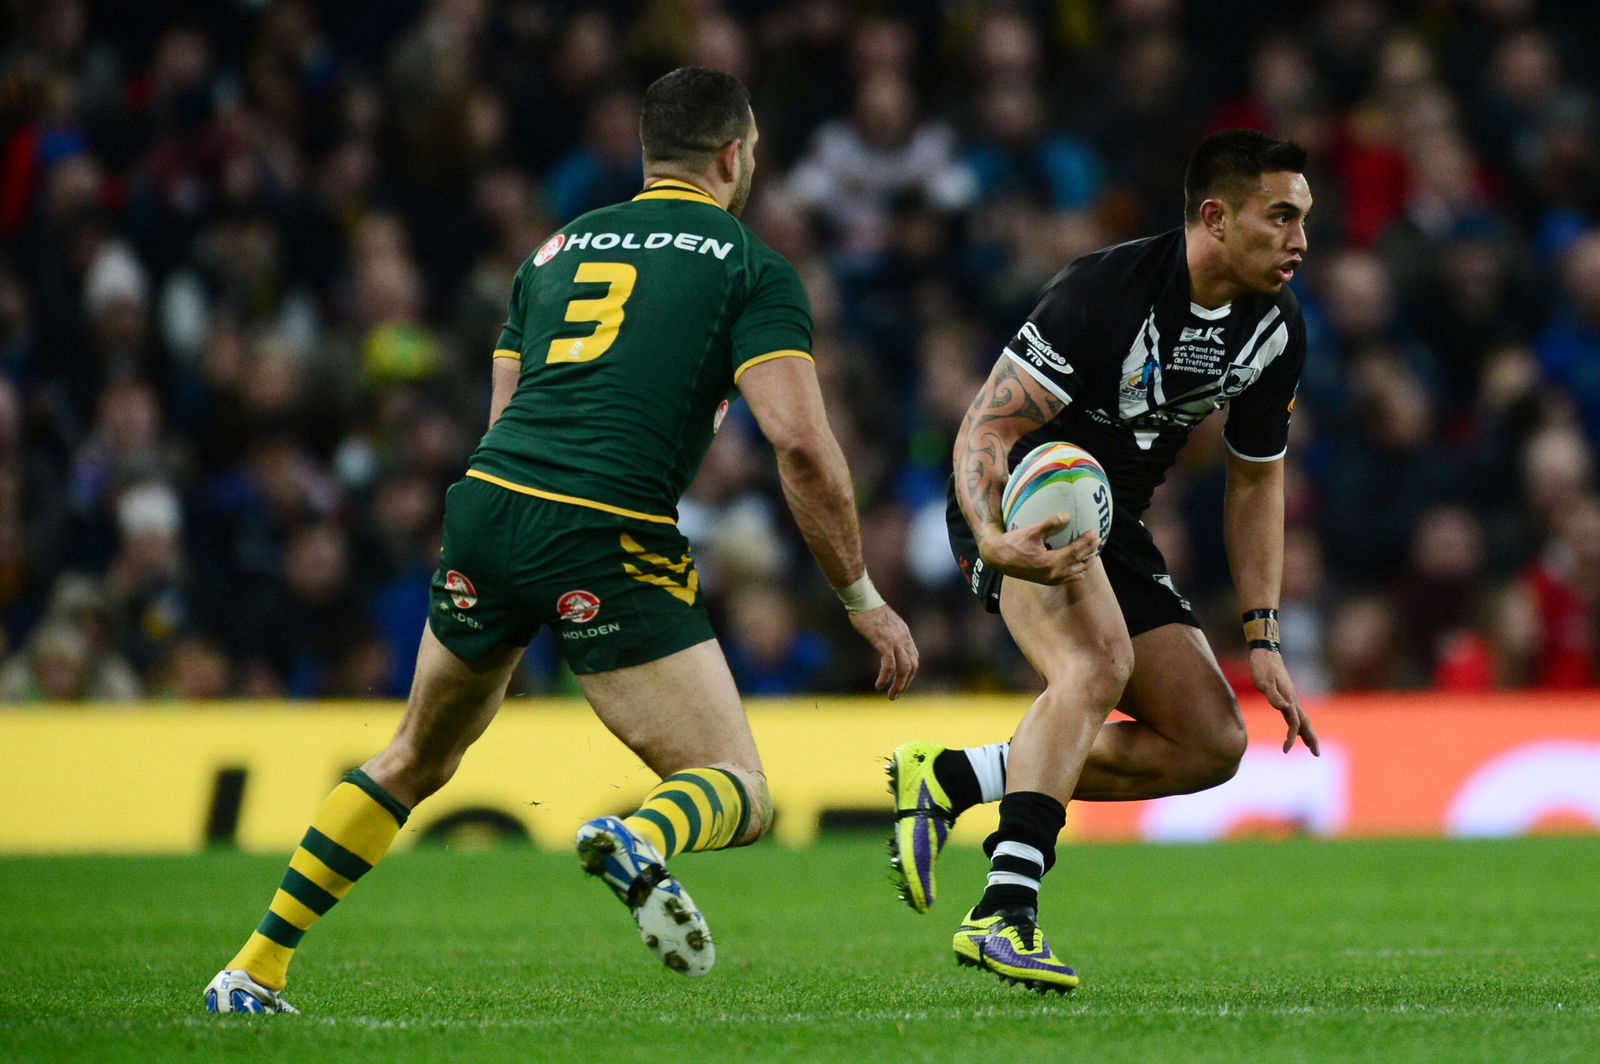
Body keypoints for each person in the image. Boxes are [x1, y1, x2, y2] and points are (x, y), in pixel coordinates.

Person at [203, 67, 918, 1014]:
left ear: (644, 153)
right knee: (738, 789)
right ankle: (643, 838)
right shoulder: (751, 267)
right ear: (735, 155)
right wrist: (860, 595)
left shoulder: (553, 252)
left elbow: (507, 415)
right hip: (602, 529)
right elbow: (800, 444)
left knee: (415, 754)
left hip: (490, 506)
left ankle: (252, 969)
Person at [888, 129, 1320, 993]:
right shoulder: (1105, 292)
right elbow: (988, 426)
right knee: (1094, 665)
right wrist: (994, 534)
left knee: (1211, 742)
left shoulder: (1275, 329)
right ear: (1215, 217)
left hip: (1108, 527)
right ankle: (1004, 911)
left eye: (1305, 217)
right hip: (1021, 500)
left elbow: (1254, 483)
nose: (1301, 239)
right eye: (1281, 216)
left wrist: (1262, 632)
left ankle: (954, 776)